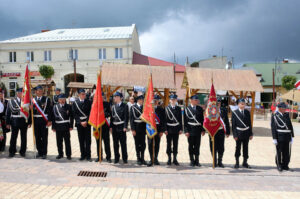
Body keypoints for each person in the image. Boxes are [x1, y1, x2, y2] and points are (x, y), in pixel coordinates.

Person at [6, 88, 31, 157]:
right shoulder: (11, 101)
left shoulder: (26, 101)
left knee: (23, 137)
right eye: (20, 93)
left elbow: (29, 112)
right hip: (14, 121)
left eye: (23, 93)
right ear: (17, 93)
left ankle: (23, 151)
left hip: (24, 121)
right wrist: (7, 123)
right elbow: (8, 113)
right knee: (13, 137)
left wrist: (29, 122)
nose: (21, 94)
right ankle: (12, 151)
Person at [271, 102, 294, 171]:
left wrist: (292, 136)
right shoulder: (275, 116)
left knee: (286, 151)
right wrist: (274, 138)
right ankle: (279, 165)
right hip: (279, 136)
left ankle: (285, 165)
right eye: (284, 108)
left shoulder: (287, 115)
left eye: (285, 108)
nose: (285, 110)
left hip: (287, 136)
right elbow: (273, 128)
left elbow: (290, 126)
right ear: (280, 108)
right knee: (279, 151)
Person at [208, 97, 230, 168]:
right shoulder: (210, 111)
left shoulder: (223, 110)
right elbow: (207, 121)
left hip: (221, 131)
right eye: (217, 103)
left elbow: (226, 121)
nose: (218, 104)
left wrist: (228, 132)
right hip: (213, 132)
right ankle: (214, 161)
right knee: (213, 147)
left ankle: (220, 161)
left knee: (221, 147)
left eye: (219, 103)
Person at [232, 98, 253, 169]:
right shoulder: (235, 112)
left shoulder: (247, 112)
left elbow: (249, 124)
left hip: (246, 133)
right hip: (238, 133)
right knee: (238, 148)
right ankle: (237, 162)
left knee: (246, 148)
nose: (243, 105)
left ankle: (245, 162)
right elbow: (233, 125)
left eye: (244, 103)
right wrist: (235, 135)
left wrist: (251, 133)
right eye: (241, 103)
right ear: (238, 104)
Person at [184, 95, 205, 167]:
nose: (197, 101)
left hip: (198, 130)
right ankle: (191, 160)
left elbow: (202, 120)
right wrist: (186, 131)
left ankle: (197, 160)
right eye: (195, 100)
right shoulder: (187, 109)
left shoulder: (200, 109)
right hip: (190, 130)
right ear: (191, 101)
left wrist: (203, 130)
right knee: (190, 146)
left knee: (197, 146)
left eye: (197, 100)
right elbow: (185, 121)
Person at [32, 85, 52, 159]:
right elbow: (31, 112)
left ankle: (44, 153)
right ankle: (39, 152)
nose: (40, 92)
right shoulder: (33, 100)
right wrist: (30, 122)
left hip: (44, 121)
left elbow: (50, 110)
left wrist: (49, 120)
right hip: (36, 121)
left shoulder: (47, 99)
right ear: (35, 92)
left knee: (44, 137)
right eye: (38, 91)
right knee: (37, 137)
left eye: (41, 90)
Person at [52, 93, 74, 160]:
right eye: (61, 99)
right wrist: (53, 127)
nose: (62, 100)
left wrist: (71, 125)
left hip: (66, 126)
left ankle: (68, 155)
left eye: (63, 99)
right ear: (58, 100)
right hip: (58, 126)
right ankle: (60, 154)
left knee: (67, 141)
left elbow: (71, 117)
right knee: (59, 141)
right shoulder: (55, 107)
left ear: (65, 99)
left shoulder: (68, 106)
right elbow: (53, 117)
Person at [72, 89, 92, 161]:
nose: (84, 95)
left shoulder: (89, 102)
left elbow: (90, 112)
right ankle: (82, 155)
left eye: (84, 94)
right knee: (81, 139)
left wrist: (86, 121)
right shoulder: (75, 103)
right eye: (82, 94)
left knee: (88, 140)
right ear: (79, 95)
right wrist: (80, 122)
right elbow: (74, 113)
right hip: (79, 124)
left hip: (87, 123)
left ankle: (88, 155)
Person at [110, 91, 129, 164]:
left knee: (123, 144)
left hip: (121, 127)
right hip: (114, 127)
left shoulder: (125, 106)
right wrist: (111, 127)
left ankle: (125, 158)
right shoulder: (113, 106)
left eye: (115, 97)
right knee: (115, 144)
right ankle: (116, 158)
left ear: (119, 98)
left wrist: (125, 127)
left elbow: (126, 117)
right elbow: (112, 118)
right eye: (114, 97)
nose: (114, 98)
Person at [147, 94, 165, 167]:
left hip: (158, 129)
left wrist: (161, 131)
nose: (155, 102)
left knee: (157, 144)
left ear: (158, 101)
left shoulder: (161, 109)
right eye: (154, 100)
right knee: (150, 144)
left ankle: (156, 158)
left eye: (156, 100)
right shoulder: (149, 109)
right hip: (150, 129)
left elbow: (163, 121)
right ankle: (151, 159)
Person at [165, 94, 183, 166]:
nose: (173, 101)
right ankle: (169, 158)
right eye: (172, 99)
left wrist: (181, 129)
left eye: (174, 99)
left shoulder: (178, 108)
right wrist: (165, 129)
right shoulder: (166, 108)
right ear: (169, 100)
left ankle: (175, 158)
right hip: (169, 129)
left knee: (175, 144)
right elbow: (165, 120)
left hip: (176, 129)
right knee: (169, 144)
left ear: (176, 100)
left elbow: (180, 119)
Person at [130, 95, 147, 165]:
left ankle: (142, 158)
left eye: (142, 100)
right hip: (136, 128)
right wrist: (133, 129)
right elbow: (131, 119)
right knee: (137, 144)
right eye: (141, 100)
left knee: (143, 144)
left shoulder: (144, 108)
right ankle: (138, 158)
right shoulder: (133, 107)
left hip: (143, 128)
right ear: (138, 100)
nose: (142, 101)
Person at [95, 92, 112, 163]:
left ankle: (108, 157)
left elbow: (109, 113)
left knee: (106, 142)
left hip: (105, 126)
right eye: (99, 97)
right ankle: (99, 156)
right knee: (98, 142)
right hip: (97, 127)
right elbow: (93, 114)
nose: (101, 98)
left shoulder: (107, 104)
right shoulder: (95, 105)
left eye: (102, 96)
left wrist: (103, 115)